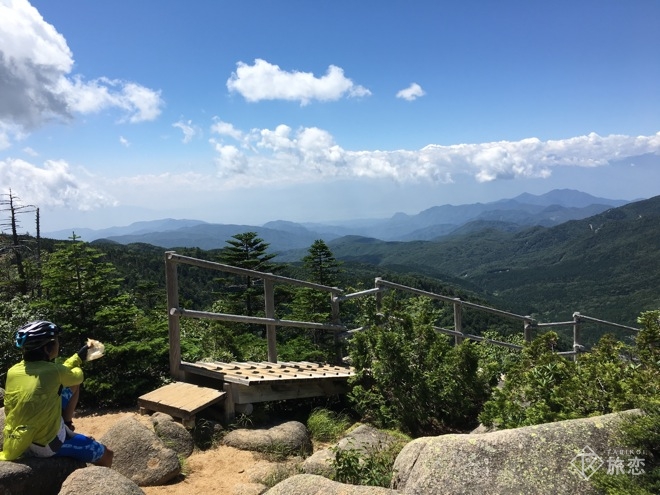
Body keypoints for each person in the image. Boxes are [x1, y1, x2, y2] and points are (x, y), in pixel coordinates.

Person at [0, 320, 113, 466]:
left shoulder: (13, 371)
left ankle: (66, 424)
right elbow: (77, 376)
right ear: (47, 348)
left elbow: (57, 372)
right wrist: (79, 362)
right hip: (46, 445)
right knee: (107, 454)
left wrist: (77, 357)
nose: (58, 344)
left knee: (68, 387)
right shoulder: (55, 372)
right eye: (56, 341)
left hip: (19, 441)